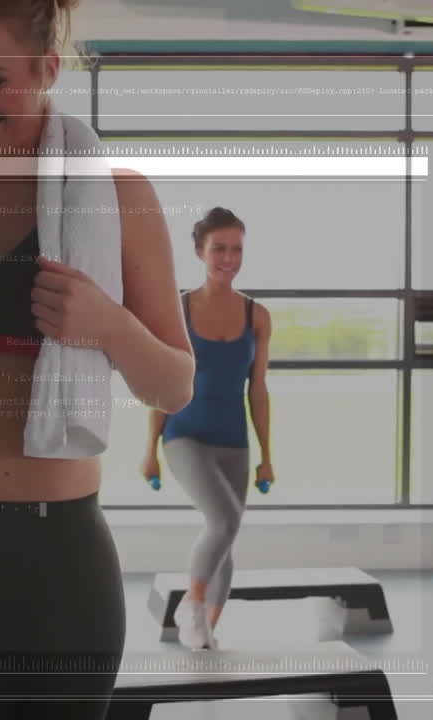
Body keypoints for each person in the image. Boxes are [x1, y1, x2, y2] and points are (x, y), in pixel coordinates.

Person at [0, 0, 195, 717]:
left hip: (53, 553)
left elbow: (175, 384)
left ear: (48, 69)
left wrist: (109, 327)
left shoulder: (119, 198)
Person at [140, 207, 273, 651]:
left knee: (226, 539)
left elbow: (258, 390)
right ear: (200, 251)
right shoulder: (178, 308)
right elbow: (162, 381)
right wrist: (149, 449)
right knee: (224, 518)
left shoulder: (258, 315)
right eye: (220, 248)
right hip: (184, 433)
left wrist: (267, 456)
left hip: (234, 439)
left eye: (237, 249)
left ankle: (206, 632)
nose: (229, 257)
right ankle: (191, 608)